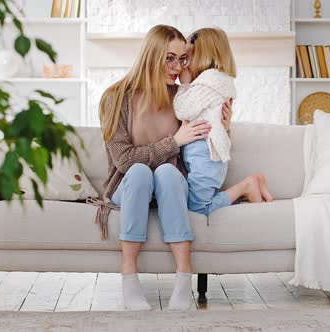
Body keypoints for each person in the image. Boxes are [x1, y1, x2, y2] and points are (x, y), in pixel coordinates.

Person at [98, 25, 272, 311]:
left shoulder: (183, 97)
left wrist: (224, 128)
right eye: (170, 58)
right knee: (141, 172)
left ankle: (183, 279)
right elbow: (124, 160)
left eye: (182, 59)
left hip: (170, 186)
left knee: (167, 172)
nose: (177, 66)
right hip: (129, 186)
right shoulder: (115, 97)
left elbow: (202, 145)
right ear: (151, 57)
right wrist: (173, 142)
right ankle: (129, 278)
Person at [174, 28, 273, 216]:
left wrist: (184, 85)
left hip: (204, 156)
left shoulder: (208, 82)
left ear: (203, 55)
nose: (183, 66)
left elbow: (182, 110)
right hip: (207, 157)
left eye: (187, 58)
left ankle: (247, 185)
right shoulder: (217, 80)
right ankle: (253, 187)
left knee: (198, 209)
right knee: (203, 203)